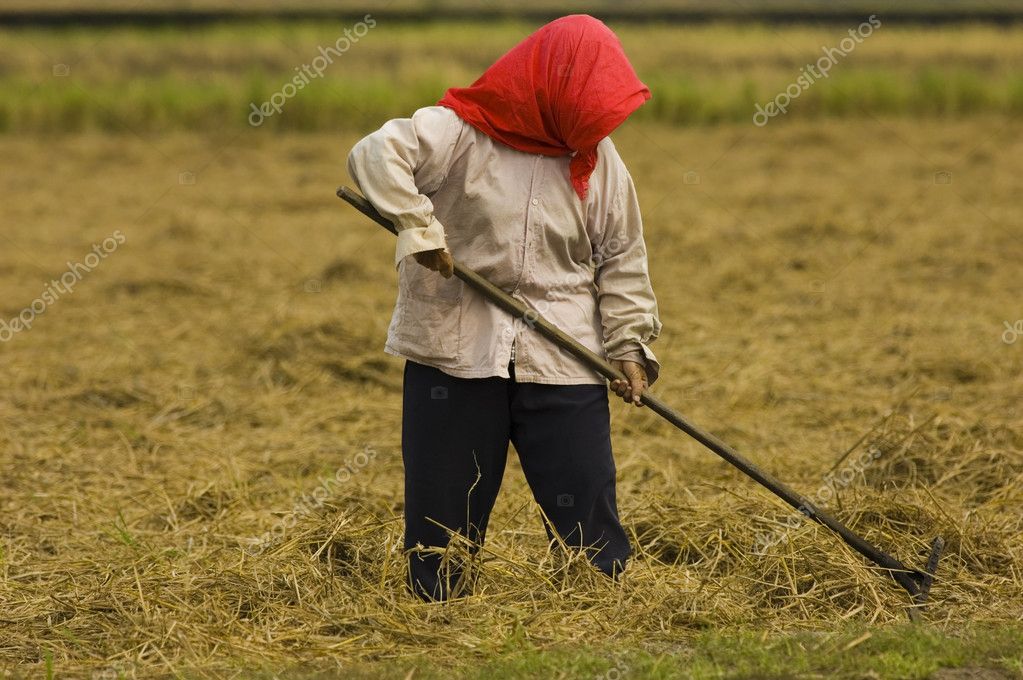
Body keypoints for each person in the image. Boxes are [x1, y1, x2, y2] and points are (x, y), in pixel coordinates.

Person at [346, 14, 661, 601]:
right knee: (443, 516)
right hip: (455, 351)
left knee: (586, 501)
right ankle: (438, 612)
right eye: (586, 101)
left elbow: (621, 255)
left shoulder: (597, 157)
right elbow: (373, 155)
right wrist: (419, 228)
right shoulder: (459, 131)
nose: (593, 120)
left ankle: (603, 603)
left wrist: (628, 344)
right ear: (554, 84)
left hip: (564, 356)